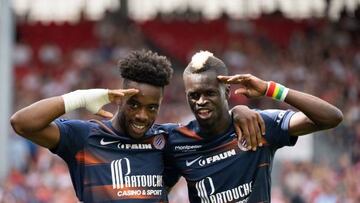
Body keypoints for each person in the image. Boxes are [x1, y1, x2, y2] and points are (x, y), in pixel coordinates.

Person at [10, 49, 264, 202]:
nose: (142, 115)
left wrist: (238, 111)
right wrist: (80, 97)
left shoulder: (165, 140)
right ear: (119, 98)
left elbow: (209, 130)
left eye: (152, 108)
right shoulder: (85, 137)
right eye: (134, 104)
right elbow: (22, 123)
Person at [164, 51, 343, 203]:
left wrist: (270, 89)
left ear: (226, 92)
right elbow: (160, 190)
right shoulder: (177, 140)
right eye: (194, 95)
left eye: (209, 93)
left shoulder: (259, 124)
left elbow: (331, 117)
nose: (201, 101)